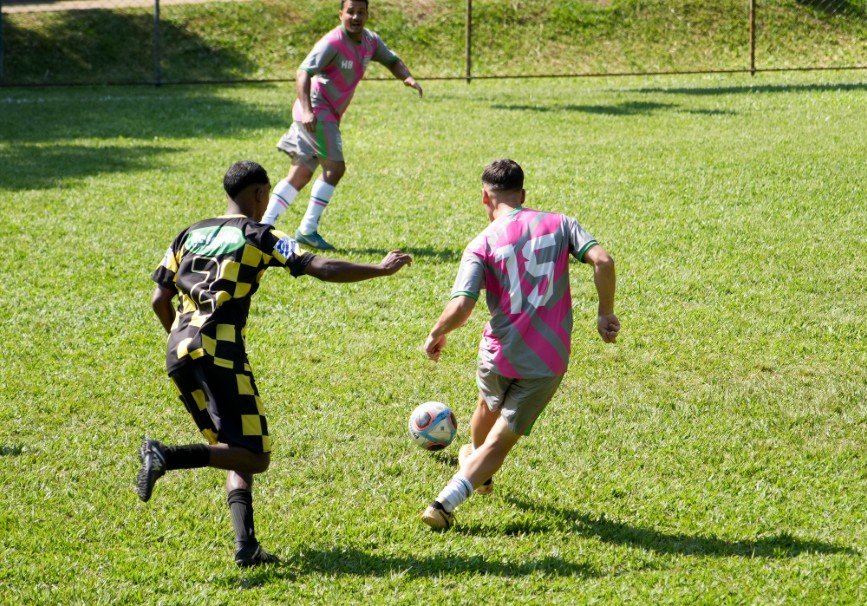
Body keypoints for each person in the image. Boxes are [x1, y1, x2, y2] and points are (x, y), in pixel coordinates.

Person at [137, 160, 412, 566]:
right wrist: (379, 269)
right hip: (219, 351)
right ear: (260, 193)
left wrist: (183, 341)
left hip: (178, 351)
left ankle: (246, 545)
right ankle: (166, 456)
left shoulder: (189, 234)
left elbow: (159, 299)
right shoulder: (258, 234)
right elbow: (319, 267)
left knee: (235, 447)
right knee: (256, 456)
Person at [419, 159, 620, 530]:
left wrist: (437, 332)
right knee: (500, 442)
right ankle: (445, 502)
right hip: (546, 360)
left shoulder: (481, 243)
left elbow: (462, 306)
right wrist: (604, 312)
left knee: (487, 405)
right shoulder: (561, 224)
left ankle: (479, 473)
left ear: (485, 197)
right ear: (523, 194)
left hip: (497, 353)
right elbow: (603, 261)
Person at [260, 0, 424, 250]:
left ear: (367, 14)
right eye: (351, 12)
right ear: (341, 14)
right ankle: (307, 229)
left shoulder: (370, 41)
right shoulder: (332, 42)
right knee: (335, 168)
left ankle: (263, 227)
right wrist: (307, 110)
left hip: (324, 113)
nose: (356, 17)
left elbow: (392, 60)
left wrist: (407, 77)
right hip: (316, 111)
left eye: (361, 12)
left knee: (301, 173)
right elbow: (303, 72)